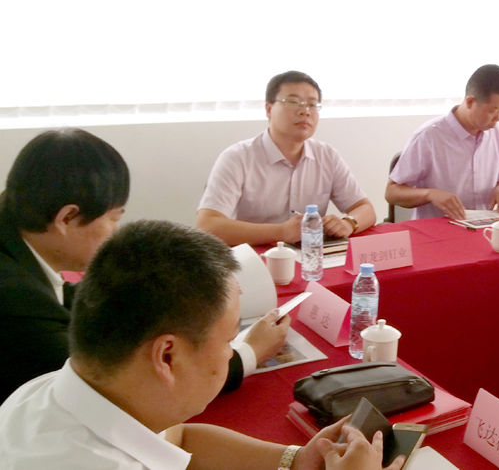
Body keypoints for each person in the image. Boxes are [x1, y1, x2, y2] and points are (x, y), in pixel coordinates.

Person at [0, 220, 403, 470]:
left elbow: (180, 439)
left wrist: (296, 460)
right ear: (167, 356)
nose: (231, 353)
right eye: (228, 340)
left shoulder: (47, 391)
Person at [0, 129, 287, 403]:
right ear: (66, 218)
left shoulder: (12, 228)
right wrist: (250, 351)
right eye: (113, 218)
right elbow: (118, 386)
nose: (115, 231)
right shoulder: (17, 301)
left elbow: (64, 297)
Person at [197, 70, 376, 246]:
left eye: (312, 104)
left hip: (310, 257)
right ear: (269, 109)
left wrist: (349, 223)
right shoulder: (237, 158)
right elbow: (208, 226)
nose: (305, 111)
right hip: (254, 258)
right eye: (293, 102)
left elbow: (365, 209)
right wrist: (281, 232)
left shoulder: (327, 156)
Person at [385, 64, 499, 220]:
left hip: (483, 228)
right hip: (437, 230)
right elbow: (391, 192)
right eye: (493, 110)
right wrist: (430, 194)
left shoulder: (496, 135)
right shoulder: (429, 136)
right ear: (470, 102)